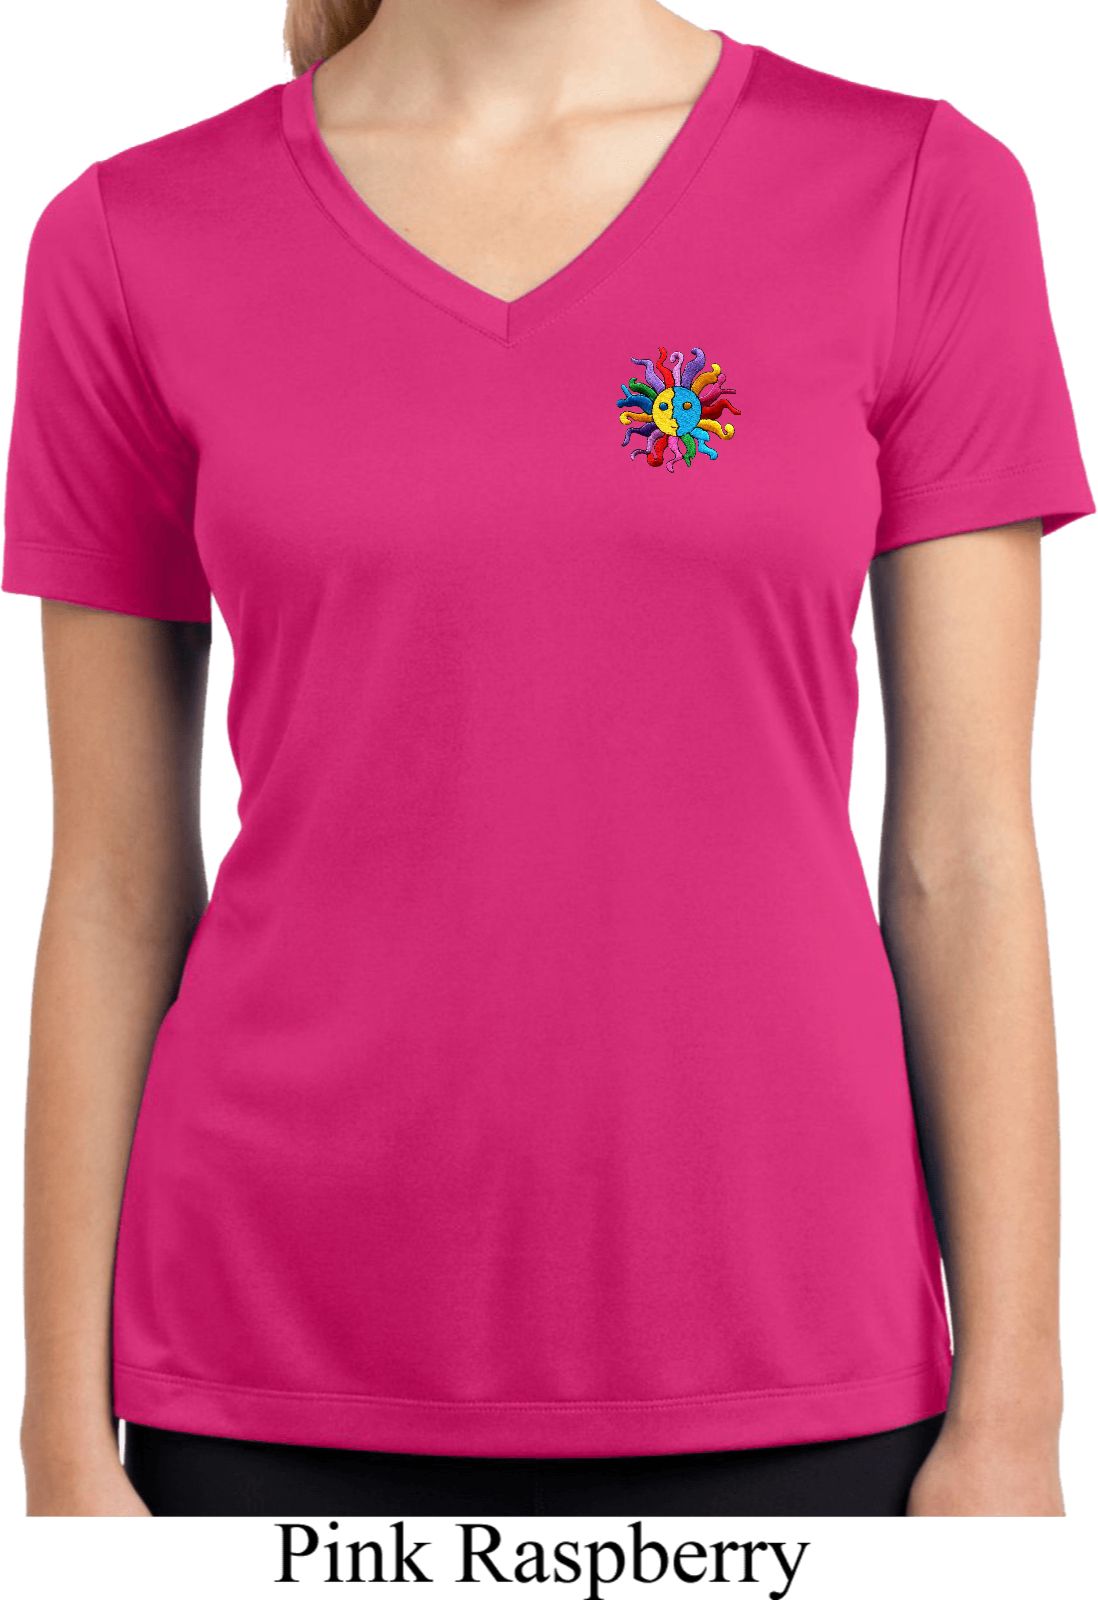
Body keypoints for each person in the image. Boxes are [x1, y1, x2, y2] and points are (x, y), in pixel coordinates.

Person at [6, 0, 1092, 1518]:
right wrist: (60, 1440)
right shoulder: (132, 239)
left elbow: (962, 857)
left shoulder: (916, 192)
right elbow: (114, 887)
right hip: (269, 1361)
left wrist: (1017, 1419)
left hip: (793, 1351)